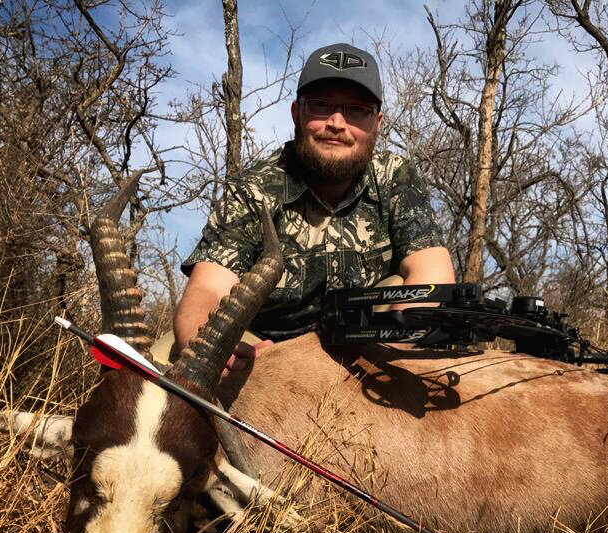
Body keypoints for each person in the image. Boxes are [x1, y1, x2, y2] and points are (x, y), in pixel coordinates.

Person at [167, 42, 455, 371]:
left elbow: (432, 273)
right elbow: (207, 287)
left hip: (363, 341)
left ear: (376, 122)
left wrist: (399, 334)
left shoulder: (396, 176)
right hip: (263, 349)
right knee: (170, 365)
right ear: (297, 113)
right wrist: (206, 347)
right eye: (320, 106)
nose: (336, 122)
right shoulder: (251, 189)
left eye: (356, 110)